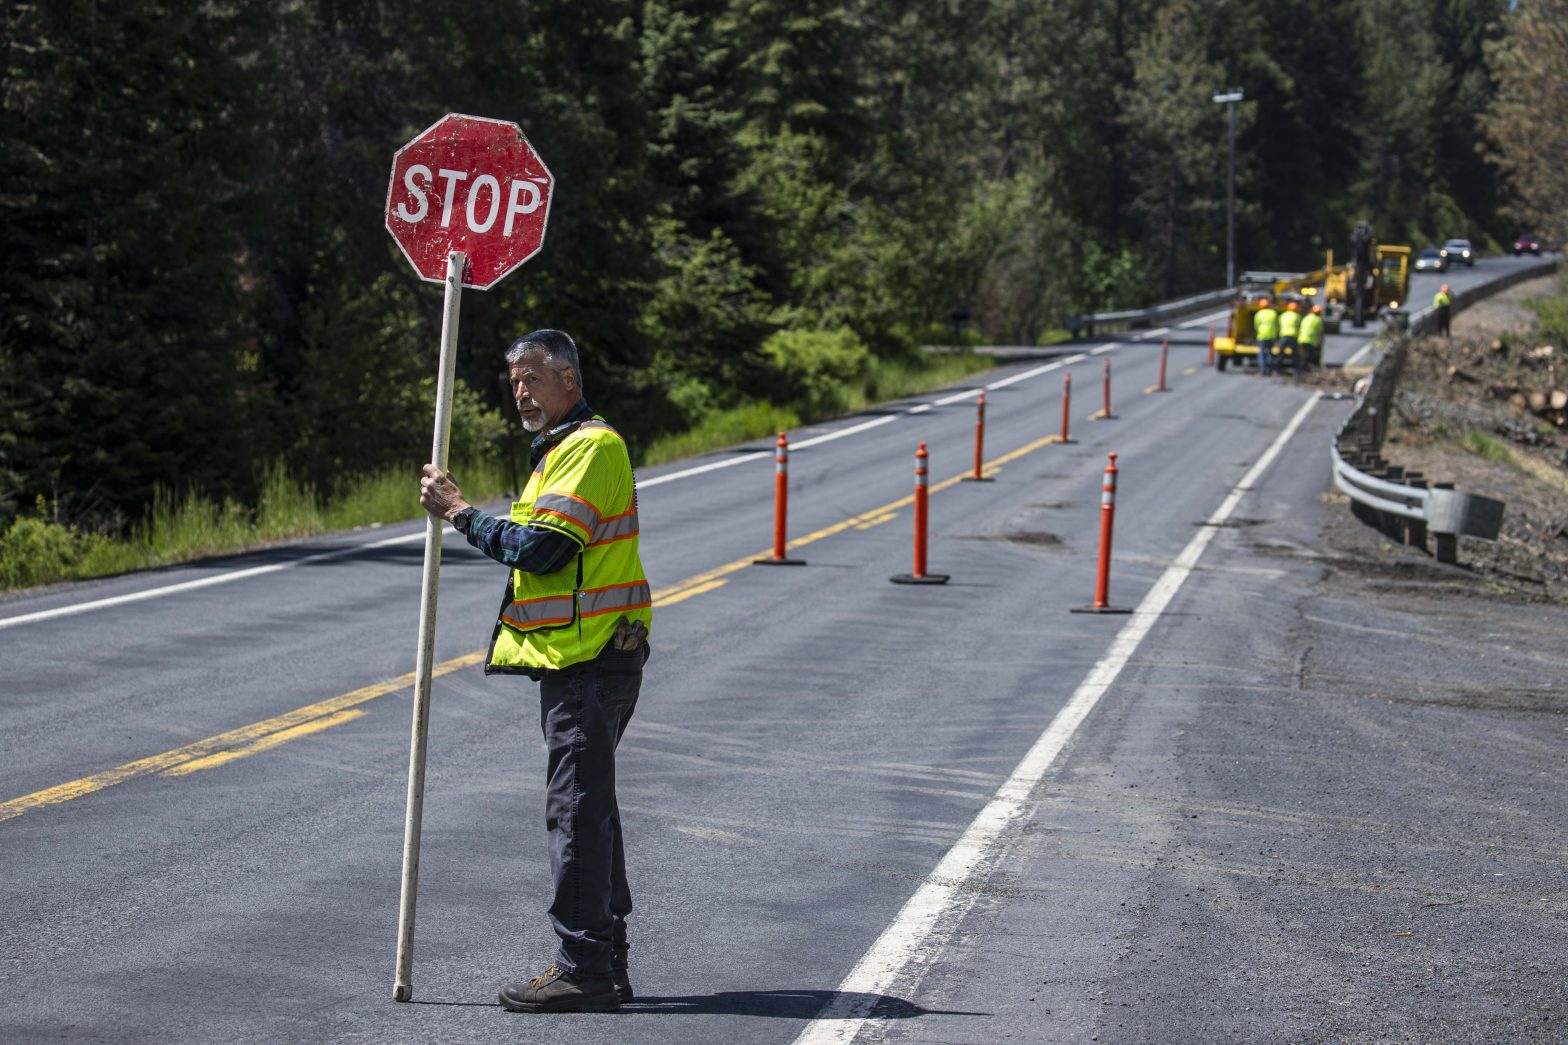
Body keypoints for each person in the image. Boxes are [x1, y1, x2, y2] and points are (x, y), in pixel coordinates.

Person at [419, 329, 652, 1015]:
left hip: (589, 657)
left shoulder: (589, 448)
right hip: (584, 655)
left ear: (569, 382)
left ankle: (585, 966)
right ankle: (606, 960)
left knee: (577, 811)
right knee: (592, 808)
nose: (520, 390)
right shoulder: (558, 453)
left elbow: (545, 549)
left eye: (533, 377)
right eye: (514, 379)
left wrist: (460, 513)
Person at [1253, 297, 1279, 375]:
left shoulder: (1259, 314)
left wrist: (1257, 333)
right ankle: (1270, 368)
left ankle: (1263, 370)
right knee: (1269, 352)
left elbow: (1256, 326)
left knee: (1262, 353)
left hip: (1262, 336)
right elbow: (1276, 325)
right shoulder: (1273, 313)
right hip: (1271, 336)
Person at [1298, 303, 1325, 371]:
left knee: (1303, 356)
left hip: (1301, 339)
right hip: (1310, 340)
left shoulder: (1306, 317)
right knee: (1308, 356)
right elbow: (1320, 332)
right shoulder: (1318, 320)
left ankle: (1303, 369)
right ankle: (1304, 370)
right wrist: (1320, 341)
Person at [1278, 300, 1301, 371]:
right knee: (1295, 354)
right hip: (1293, 336)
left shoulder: (1283, 315)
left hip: (1284, 335)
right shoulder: (1297, 316)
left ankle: (1278, 369)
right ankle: (1297, 370)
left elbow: (1279, 325)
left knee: (1281, 353)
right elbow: (1299, 326)